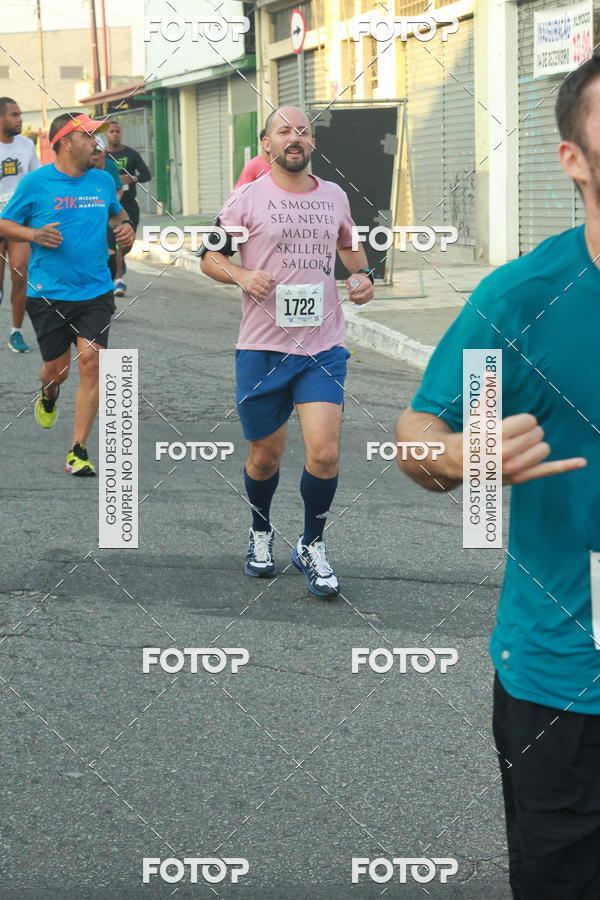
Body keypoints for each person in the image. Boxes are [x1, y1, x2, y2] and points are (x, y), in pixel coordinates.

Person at [395, 54, 600, 900]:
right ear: (574, 159)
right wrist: (458, 456)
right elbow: (418, 431)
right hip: (569, 681)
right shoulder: (523, 300)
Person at [200, 106, 374, 597]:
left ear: (312, 143)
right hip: (262, 348)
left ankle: (311, 544)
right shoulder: (246, 198)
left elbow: (351, 249)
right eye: (284, 131)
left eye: (303, 131)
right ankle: (260, 531)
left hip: (322, 346)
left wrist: (362, 278)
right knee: (264, 458)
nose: (294, 137)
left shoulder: (334, 196)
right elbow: (210, 257)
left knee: (325, 453)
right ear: (267, 144)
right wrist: (241, 274)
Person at [0, 112, 134, 476]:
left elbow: (117, 214)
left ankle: (78, 449)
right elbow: (4, 222)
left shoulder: (102, 180)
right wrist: (33, 235)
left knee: (92, 362)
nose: (96, 142)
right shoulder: (36, 183)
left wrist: (125, 228)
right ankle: (49, 392)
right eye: (88, 136)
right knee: (56, 371)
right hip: (49, 293)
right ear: (65, 142)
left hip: (96, 289)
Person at [0, 97, 41, 352]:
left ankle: (16, 331)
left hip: (19, 220)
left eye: (20, 114)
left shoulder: (26, 145)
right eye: (14, 115)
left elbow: (37, 179)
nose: (20, 119)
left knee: (19, 273)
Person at [105, 120, 151, 297]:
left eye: (117, 131)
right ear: (106, 135)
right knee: (113, 242)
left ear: (121, 133)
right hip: (108, 206)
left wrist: (132, 178)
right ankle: (118, 279)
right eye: (111, 131)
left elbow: (146, 175)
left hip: (129, 205)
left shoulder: (131, 154)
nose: (115, 134)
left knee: (127, 243)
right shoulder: (102, 156)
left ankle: (119, 260)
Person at [91, 135, 123, 281]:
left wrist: (110, 206)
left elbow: (119, 190)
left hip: (109, 209)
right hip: (90, 212)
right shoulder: (83, 169)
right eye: (92, 152)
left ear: (103, 152)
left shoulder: (111, 167)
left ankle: (117, 276)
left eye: (97, 152)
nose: (94, 156)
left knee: (114, 245)